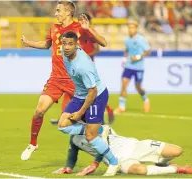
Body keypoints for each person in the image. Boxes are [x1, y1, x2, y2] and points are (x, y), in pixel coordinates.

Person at [21, 0, 107, 161]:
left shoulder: (80, 28)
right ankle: (33, 143)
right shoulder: (54, 28)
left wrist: (89, 29)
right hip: (55, 79)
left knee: (82, 118)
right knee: (39, 111)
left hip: (75, 81)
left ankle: (102, 134)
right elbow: (47, 44)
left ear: (68, 12)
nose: (55, 13)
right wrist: (28, 43)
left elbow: (103, 42)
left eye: (58, 10)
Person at [57, 31, 119, 176]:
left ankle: (114, 163)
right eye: (64, 43)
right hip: (80, 94)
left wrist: (79, 113)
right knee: (62, 125)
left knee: (91, 138)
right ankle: (100, 130)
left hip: (97, 95)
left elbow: (93, 92)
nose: (66, 47)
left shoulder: (83, 66)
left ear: (76, 45)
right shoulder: (63, 51)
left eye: (70, 44)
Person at [50, 13, 114, 125]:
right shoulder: (74, 34)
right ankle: (65, 116)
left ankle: (101, 119)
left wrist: (85, 54)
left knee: (92, 93)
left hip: (86, 68)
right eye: (79, 19)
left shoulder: (87, 32)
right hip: (75, 68)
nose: (80, 22)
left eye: (83, 20)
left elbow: (102, 44)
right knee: (74, 92)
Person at [53, 126, 192, 176]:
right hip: (120, 161)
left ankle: (162, 164)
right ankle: (175, 169)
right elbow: (72, 154)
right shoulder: (74, 138)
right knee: (140, 170)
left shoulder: (98, 126)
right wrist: (68, 168)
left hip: (133, 145)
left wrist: (95, 164)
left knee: (176, 151)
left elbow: (102, 145)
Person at [114, 19, 151, 114]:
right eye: (129, 27)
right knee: (124, 85)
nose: (131, 29)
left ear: (136, 29)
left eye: (133, 27)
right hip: (128, 66)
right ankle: (121, 107)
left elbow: (148, 51)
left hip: (139, 67)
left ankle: (145, 99)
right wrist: (124, 58)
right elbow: (127, 50)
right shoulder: (126, 39)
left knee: (138, 87)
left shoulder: (140, 39)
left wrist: (139, 56)